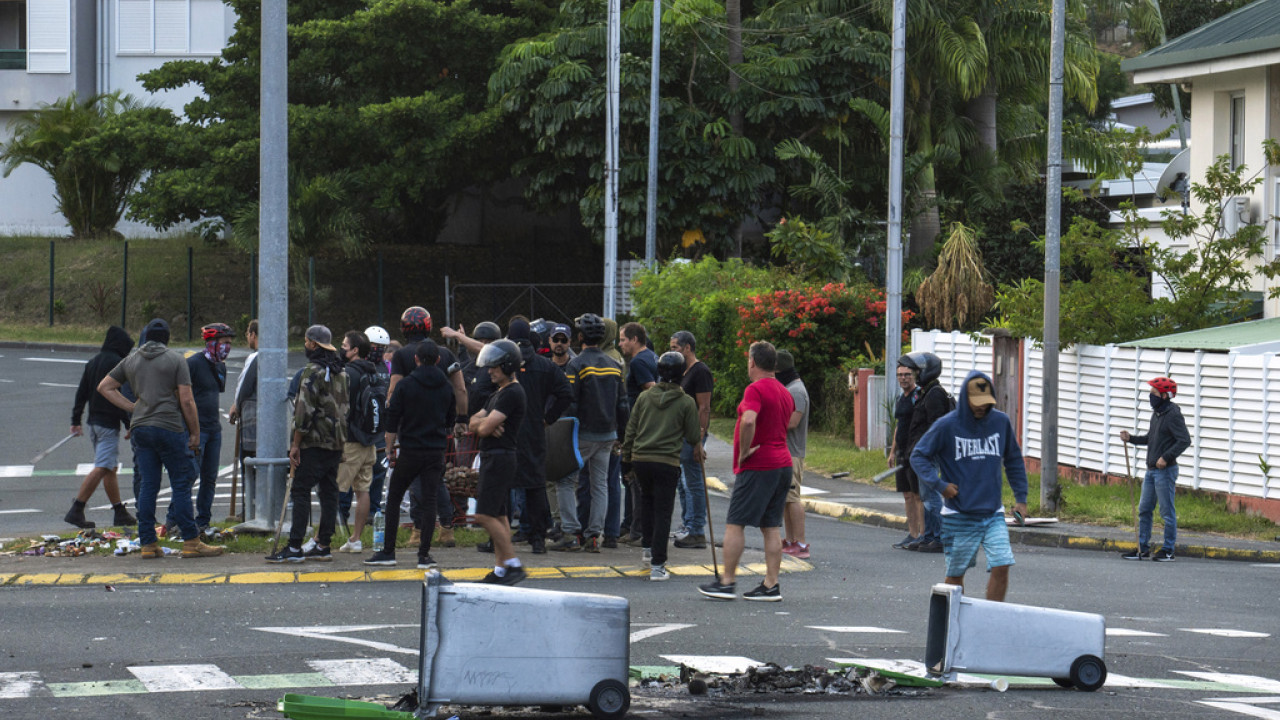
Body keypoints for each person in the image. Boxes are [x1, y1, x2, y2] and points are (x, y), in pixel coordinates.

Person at [98, 318, 223, 559]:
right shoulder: (176, 360)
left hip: (141, 429)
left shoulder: (131, 360)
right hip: (169, 427)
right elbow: (187, 400)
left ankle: (147, 543)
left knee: (148, 485)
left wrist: (134, 408)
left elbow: (105, 386)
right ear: (167, 338)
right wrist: (195, 433)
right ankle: (191, 540)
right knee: (181, 483)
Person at [911, 371, 1028, 602]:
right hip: (959, 515)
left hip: (993, 513)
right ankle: (953, 621)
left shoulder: (1000, 422)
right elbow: (919, 456)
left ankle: (991, 617)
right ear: (965, 399)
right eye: (976, 404)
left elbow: (1014, 460)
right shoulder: (946, 426)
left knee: (1002, 564)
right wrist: (939, 484)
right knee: (956, 575)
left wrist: (1021, 499)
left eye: (986, 404)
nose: (981, 409)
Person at [698, 341, 793, 602]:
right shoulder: (785, 392)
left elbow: (749, 419)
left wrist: (744, 451)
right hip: (783, 463)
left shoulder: (755, 389)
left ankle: (727, 581)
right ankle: (771, 584)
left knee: (736, 521)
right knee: (771, 525)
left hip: (759, 463)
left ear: (752, 361)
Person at [367, 340, 454, 568]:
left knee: (394, 497)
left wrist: (389, 448)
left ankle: (388, 551)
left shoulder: (406, 385)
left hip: (411, 450)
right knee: (430, 500)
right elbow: (450, 420)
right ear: (437, 360)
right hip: (435, 450)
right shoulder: (446, 386)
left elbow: (392, 419)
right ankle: (424, 555)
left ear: (415, 359)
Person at [267, 325, 349, 563]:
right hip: (336, 441)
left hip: (314, 441)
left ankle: (294, 547)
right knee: (328, 491)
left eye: (306, 342)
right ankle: (324, 544)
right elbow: (346, 409)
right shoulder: (341, 372)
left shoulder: (311, 371)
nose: (305, 345)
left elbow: (304, 410)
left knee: (301, 490)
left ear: (313, 344)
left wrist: (295, 443)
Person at [621, 351, 703, 581]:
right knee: (663, 512)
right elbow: (693, 435)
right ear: (681, 374)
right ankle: (658, 565)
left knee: (646, 504)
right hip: (667, 461)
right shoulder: (686, 402)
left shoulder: (644, 398)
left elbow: (631, 429)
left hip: (641, 459)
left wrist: (626, 460)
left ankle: (648, 550)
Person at [552, 314, 628, 553]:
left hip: (582, 434)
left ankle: (571, 532)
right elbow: (623, 404)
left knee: (564, 481)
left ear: (581, 337)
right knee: (600, 485)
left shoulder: (576, 365)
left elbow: (570, 403)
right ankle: (593, 536)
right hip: (608, 435)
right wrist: (622, 436)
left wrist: (561, 430)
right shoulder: (615, 365)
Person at [469, 339, 529, 584]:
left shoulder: (512, 393)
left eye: (494, 367)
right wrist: (482, 426)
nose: (490, 371)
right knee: (500, 515)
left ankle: (514, 565)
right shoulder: (498, 393)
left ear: (507, 365)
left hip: (500, 458)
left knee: (483, 515)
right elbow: (475, 422)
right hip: (494, 457)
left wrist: (483, 427)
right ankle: (501, 569)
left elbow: (482, 429)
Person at [66, 325, 136, 529]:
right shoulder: (118, 364)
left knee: (110, 468)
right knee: (103, 466)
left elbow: (82, 393)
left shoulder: (93, 362)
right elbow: (120, 398)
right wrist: (129, 423)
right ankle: (77, 509)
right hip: (108, 424)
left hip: (93, 423)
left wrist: (75, 420)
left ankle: (119, 512)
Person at [1120, 376, 1191, 562]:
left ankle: (1168, 550)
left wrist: (1166, 457)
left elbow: (1184, 440)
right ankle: (1141, 547)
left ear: (1165, 396)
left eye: (1154, 393)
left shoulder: (1173, 414)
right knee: (1144, 509)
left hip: (1165, 471)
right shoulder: (1157, 414)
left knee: (1167, 512)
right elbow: (1150, 438)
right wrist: (1131, 438)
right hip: (1151, 470)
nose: (1151, 396)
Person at [336, 330, 383, 553]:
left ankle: (320, 540)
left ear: (355, 350)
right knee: (363, 490)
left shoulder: (349, 374)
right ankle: (355, 539)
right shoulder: (374, 373)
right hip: (370, 441)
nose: (341, 348)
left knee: (335, 488)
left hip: (351, 441)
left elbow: (340, 406)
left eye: (345, 345)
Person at [186, 322, 235, 532]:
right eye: (224, 343)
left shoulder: (220, 366)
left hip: (214, 430)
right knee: (189, 476)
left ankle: (203, 521)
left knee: (210, 478)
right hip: (197, 430)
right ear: (211, 342)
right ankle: (178, 520)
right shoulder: (193, 364)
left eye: (230, 344)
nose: (228, 347)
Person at [901, 351, 949, 553]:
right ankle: (928, 535)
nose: (915, 374)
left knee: (931, 497)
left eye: (918, 370)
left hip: (929, 454)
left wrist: (926, 450)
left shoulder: (936, 393)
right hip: (920, 454)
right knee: (925, 496)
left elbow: (936, 426)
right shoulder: (926, 391)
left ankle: (938, 537)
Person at [670, 330, 712, 549]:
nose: (672, 351)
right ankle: (688, 525)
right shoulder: (681, 371)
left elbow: (703, 407)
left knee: (693, 482)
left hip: (692, 435)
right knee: (682, 482)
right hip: (680, 435)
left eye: (675, 347)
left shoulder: (700, 372)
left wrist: (698, 439)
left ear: (687, 348)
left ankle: (696, 529)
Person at [617, 321, 658, 546]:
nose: (620, 344)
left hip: (639, 426)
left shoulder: (639, 362)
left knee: (635, 479)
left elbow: (652, 390)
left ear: (634, 340)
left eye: (623, 339)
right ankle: (634, 526)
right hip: (646, 425)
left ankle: (638, 530)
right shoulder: (652, 356)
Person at [776, 350, 811, 560]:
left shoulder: (796, 391)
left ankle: (800, 542)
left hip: (793, 452)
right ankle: (789, 540)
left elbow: (793, 421)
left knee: (793, 497)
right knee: (787, 499)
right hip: (785, 451)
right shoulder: (790, 388)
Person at [887, 361, 923, 549]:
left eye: (907, 375)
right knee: (907, 494)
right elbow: (899, 426)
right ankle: (912, 533)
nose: (903, 378)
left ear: (914, 375)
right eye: (900, 375)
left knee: (918, 494)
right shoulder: (902, 398)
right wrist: (892, 452)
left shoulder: (918, 396)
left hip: (915, 452)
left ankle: (923, 535)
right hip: (902, 452)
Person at [229, 319, 259, 521]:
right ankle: (255, 508)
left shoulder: (254, 358)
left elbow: (244, 387)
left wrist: (235, 407)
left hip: (252, 421)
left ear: (254, 335)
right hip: (269, 423)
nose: (247, 337)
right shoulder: (274, 357)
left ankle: (249, 510)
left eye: (248, 333)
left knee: (249, 465)